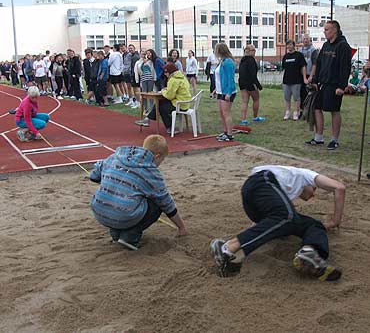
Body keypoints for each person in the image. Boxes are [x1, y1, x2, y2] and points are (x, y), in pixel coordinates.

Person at [210, 165, 345, 281]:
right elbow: (339, 188)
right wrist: (335, 221)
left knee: (310, 224)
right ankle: (228, 247)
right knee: (287, 216)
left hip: (252, 198)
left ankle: (310, 252)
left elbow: (265, 223)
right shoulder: (304, 174)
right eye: (314, 189)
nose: (313, 194)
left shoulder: (282, 190)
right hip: (262, 180)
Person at [90, 134, 188, 248]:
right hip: (122, 215)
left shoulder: (115, 157)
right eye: (162, 160)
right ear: (157, 156)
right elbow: (167, 205)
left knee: (120, 200)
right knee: (156, 203)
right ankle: (130, 236)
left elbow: (94, 175)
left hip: (99, 212)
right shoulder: (152, 174)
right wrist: (181, 227)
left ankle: (116, 232)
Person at [305, 20, 352, 150]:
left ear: (335, 30)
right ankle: (318, 138)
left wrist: (341, 86)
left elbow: (345, 67)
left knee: (334, 111)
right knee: (317, 109)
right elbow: (319, 64)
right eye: (324, 29)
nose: (324, 32)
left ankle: (334, 140)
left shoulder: (343, 46)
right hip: (322, 84)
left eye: (327, 29)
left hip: (335, 85)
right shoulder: (326, 45)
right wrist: (315, 81)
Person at [135, 63, 192, 134]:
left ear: (170, 72)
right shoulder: (183, 77)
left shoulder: (173, 80)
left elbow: (169, 96)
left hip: (179, 104)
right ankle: (148, 120)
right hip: (185, 103)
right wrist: (167, 90)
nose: (165, 74)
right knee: (160, 103)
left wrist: (163, 91)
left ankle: (169, 127)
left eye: (166, 72)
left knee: (161, 108)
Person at [214, 43, 237, 142]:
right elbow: (220, 78)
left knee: (226, 113)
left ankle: (230, 134)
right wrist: (216, 89)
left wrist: (228, 93)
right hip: (220, 91)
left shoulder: (228, 62)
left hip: (227, 91)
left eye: (216, 50)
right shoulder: (222, 61)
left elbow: (230, 79)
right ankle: (225, 131)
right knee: (222, 113)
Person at [238, 44, 265, 125]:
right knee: (256, 99)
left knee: (245, 101)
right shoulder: (251, 60)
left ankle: (243, 119)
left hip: (242, 82)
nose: (255, 52)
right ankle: (255, 117)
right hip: (250, 83)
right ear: (249, 51)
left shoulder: (242, 60)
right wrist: (258, 85)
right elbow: (253, 75)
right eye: (253, 50)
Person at [282, 40, 308, 121]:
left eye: (290, 45)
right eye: (287, 45)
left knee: (297, 97)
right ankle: (287, 112)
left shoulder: (299, 55)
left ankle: (296, 112)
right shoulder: (285, 56)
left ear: (293, 46)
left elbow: (303, 67)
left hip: (296, 80)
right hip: (286, 81)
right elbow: (284, 68)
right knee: (287, 97)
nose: (289, 46)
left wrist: (304, 78)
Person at [300, 35, 319, 113]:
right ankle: (302, 110)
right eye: (304, 39)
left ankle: (310, 111)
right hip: (302, 75)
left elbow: (315, 64)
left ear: (310, 40)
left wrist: (311, 76)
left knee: (310, 94)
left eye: (307, 39)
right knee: (302, 94)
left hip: (310, 75)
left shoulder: (313, 50)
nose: (305, 40)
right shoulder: (300, 51)